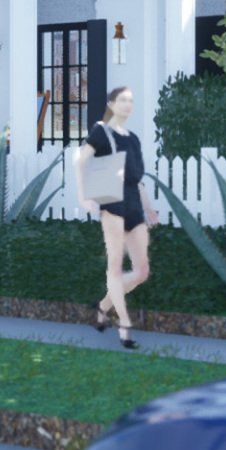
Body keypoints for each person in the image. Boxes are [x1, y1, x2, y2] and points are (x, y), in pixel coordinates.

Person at [76, 86, 156, 349]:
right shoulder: (102, 131)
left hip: (133, 203)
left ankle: (102, 307)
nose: (127, 104)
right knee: (114, 266)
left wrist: (149, 208)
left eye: (130, 100)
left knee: (142, 270)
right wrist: (83, 196)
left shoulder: (133, 138)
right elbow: (80, 159)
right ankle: (124, 325)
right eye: (122, 100)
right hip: (112, 202)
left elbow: (137, 179)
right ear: (111, 104)